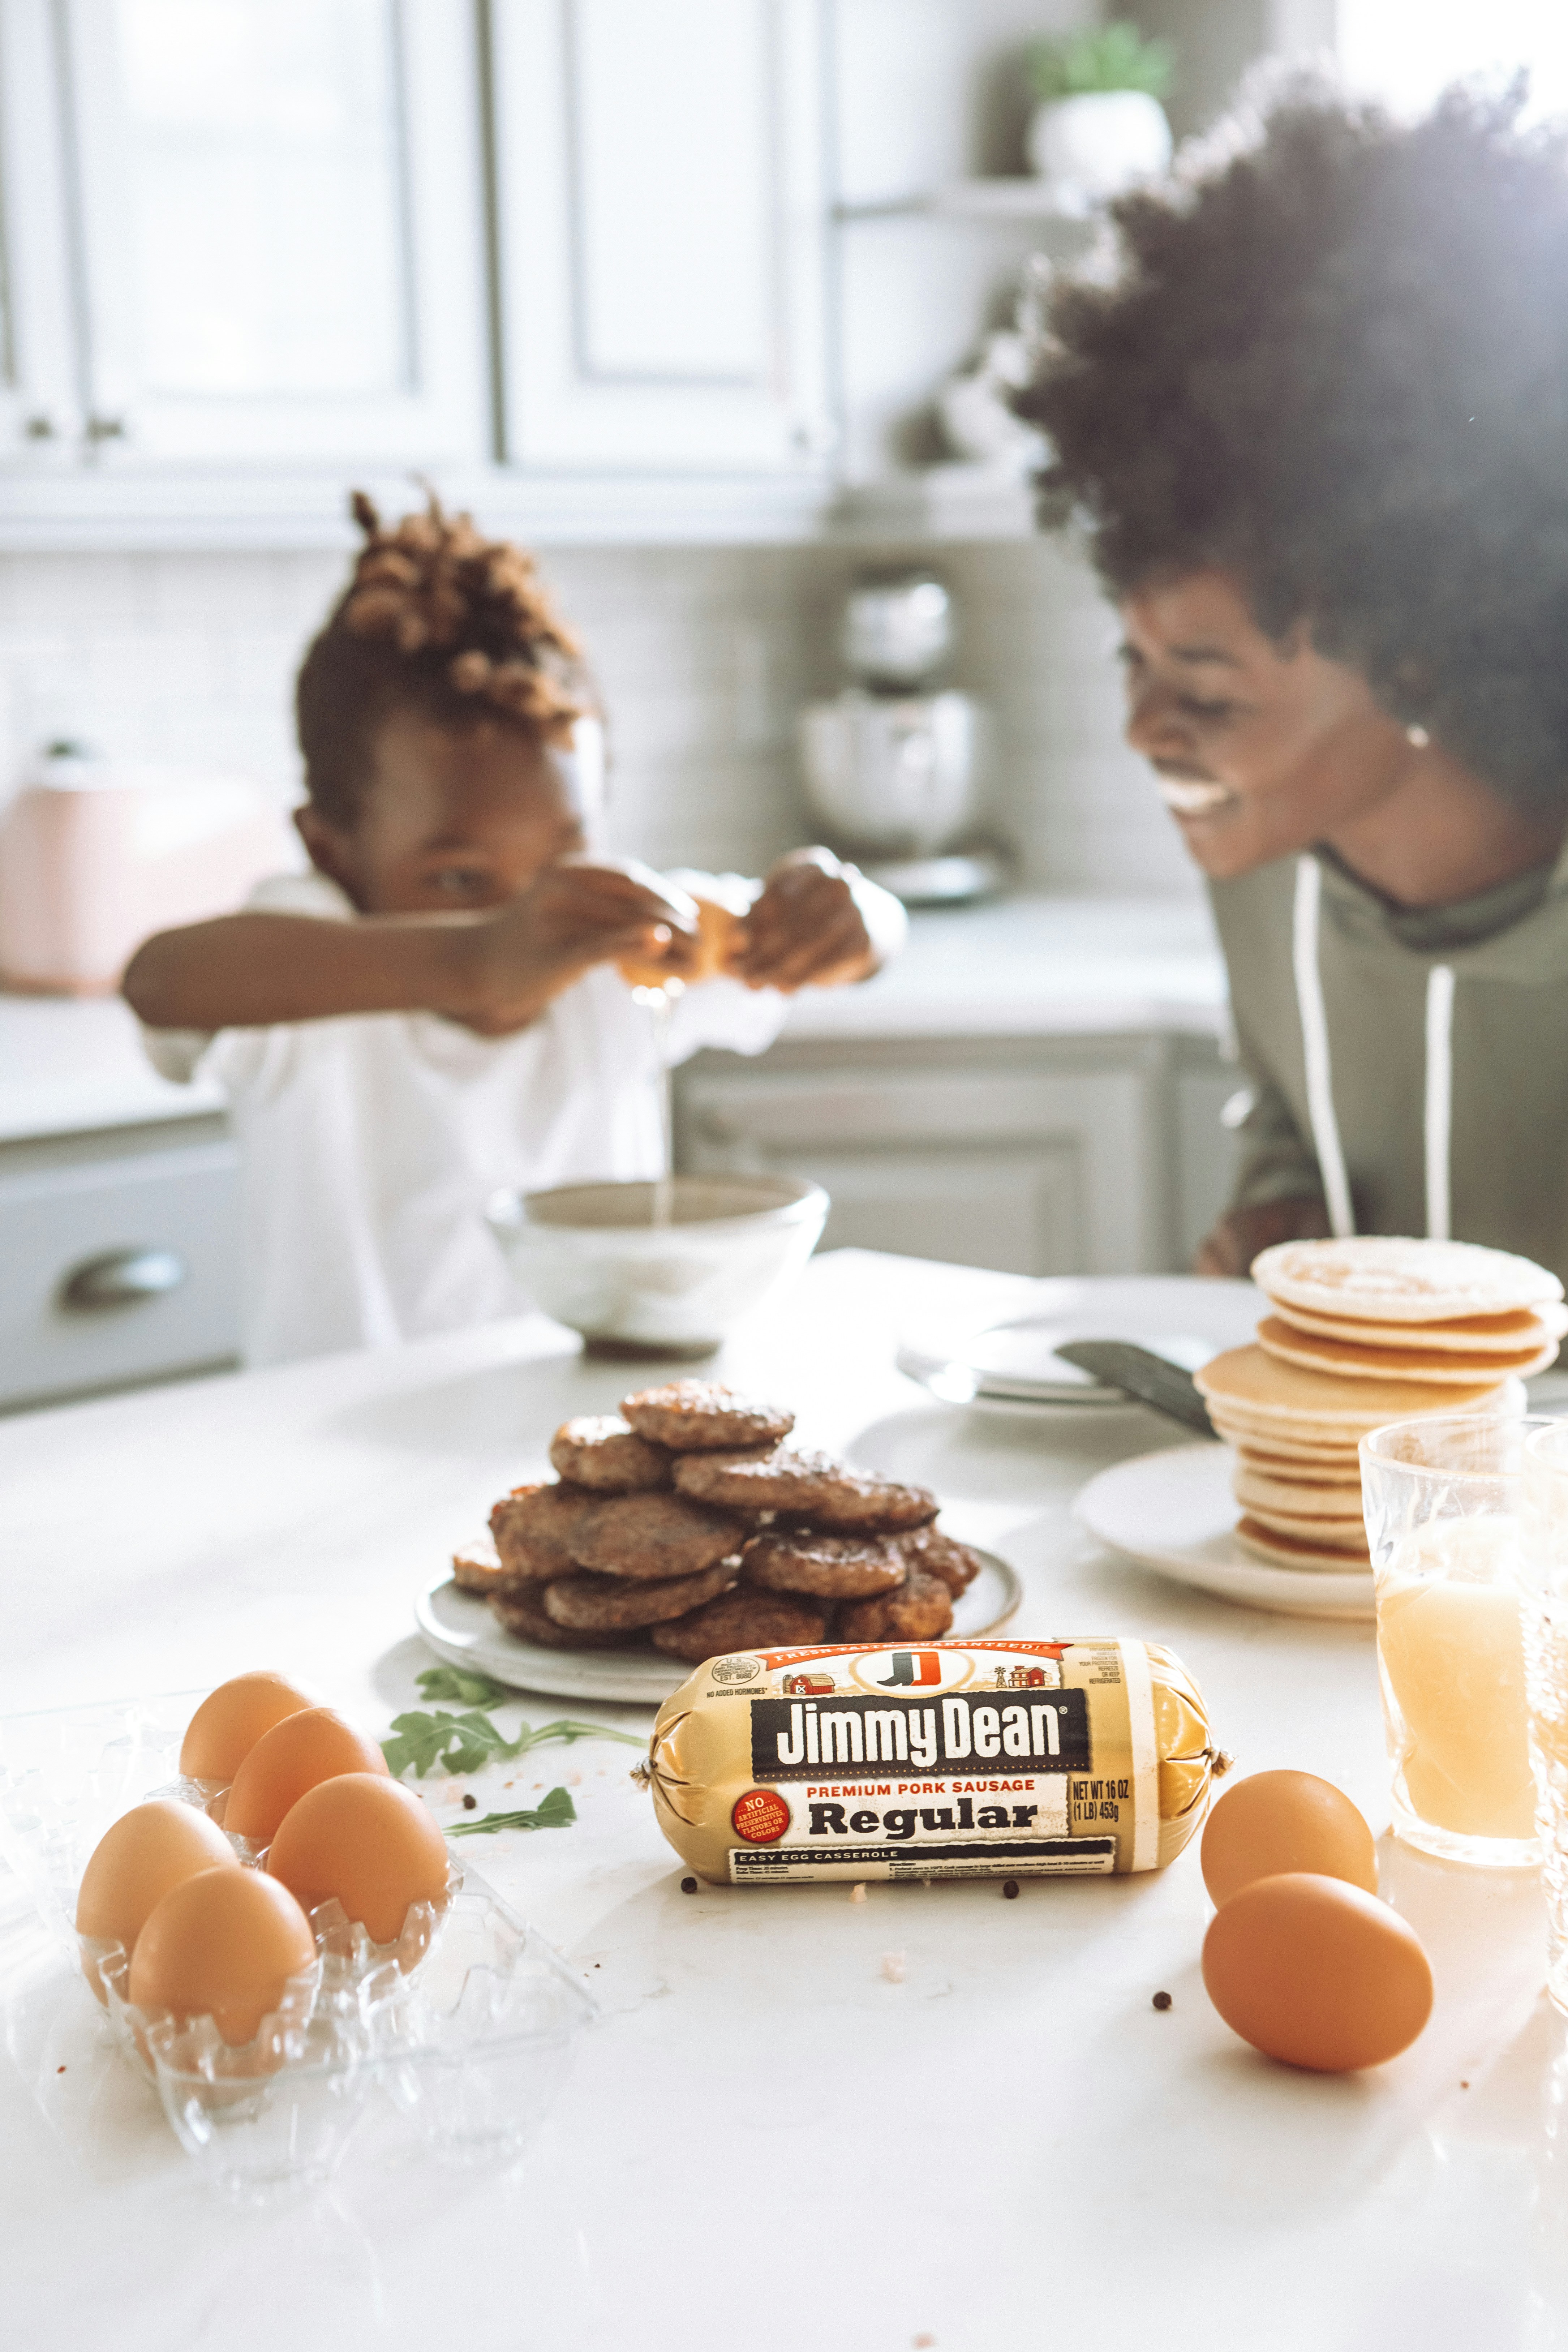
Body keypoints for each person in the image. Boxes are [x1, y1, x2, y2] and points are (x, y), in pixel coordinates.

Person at [124, 493, 902, 1364]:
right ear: (331, 851)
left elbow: (861, 935)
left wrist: (849, 911)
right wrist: (476, 960)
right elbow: (160, 981)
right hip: (340, 1454)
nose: (531, 912)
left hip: (578, 1448)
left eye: (561, 862)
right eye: (459, 878)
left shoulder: (619, 948)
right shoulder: (307, 957)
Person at [1015, 73, 1568, 1282]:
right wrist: (1275, 1215)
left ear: (1426, 648)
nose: (1142, 729)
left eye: (1207, 693)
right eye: (1135, 659)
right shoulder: (1261, 860)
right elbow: (1293, 1111)